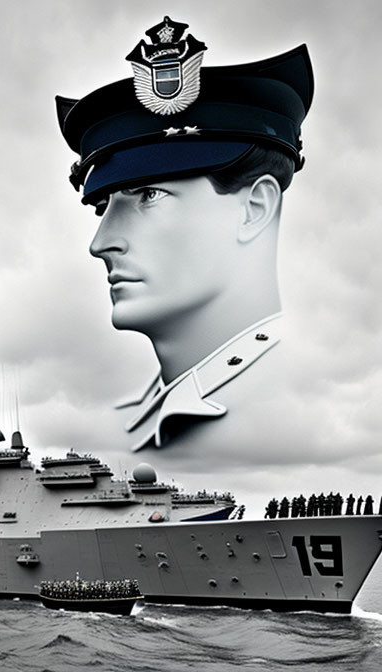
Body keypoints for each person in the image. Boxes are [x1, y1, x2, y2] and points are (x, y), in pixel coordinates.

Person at [55, 17, 313, 452]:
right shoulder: (132, 425)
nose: (100, 244)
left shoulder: (313, 403)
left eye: (149, 195)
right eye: (104, 206)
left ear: (255, 208)